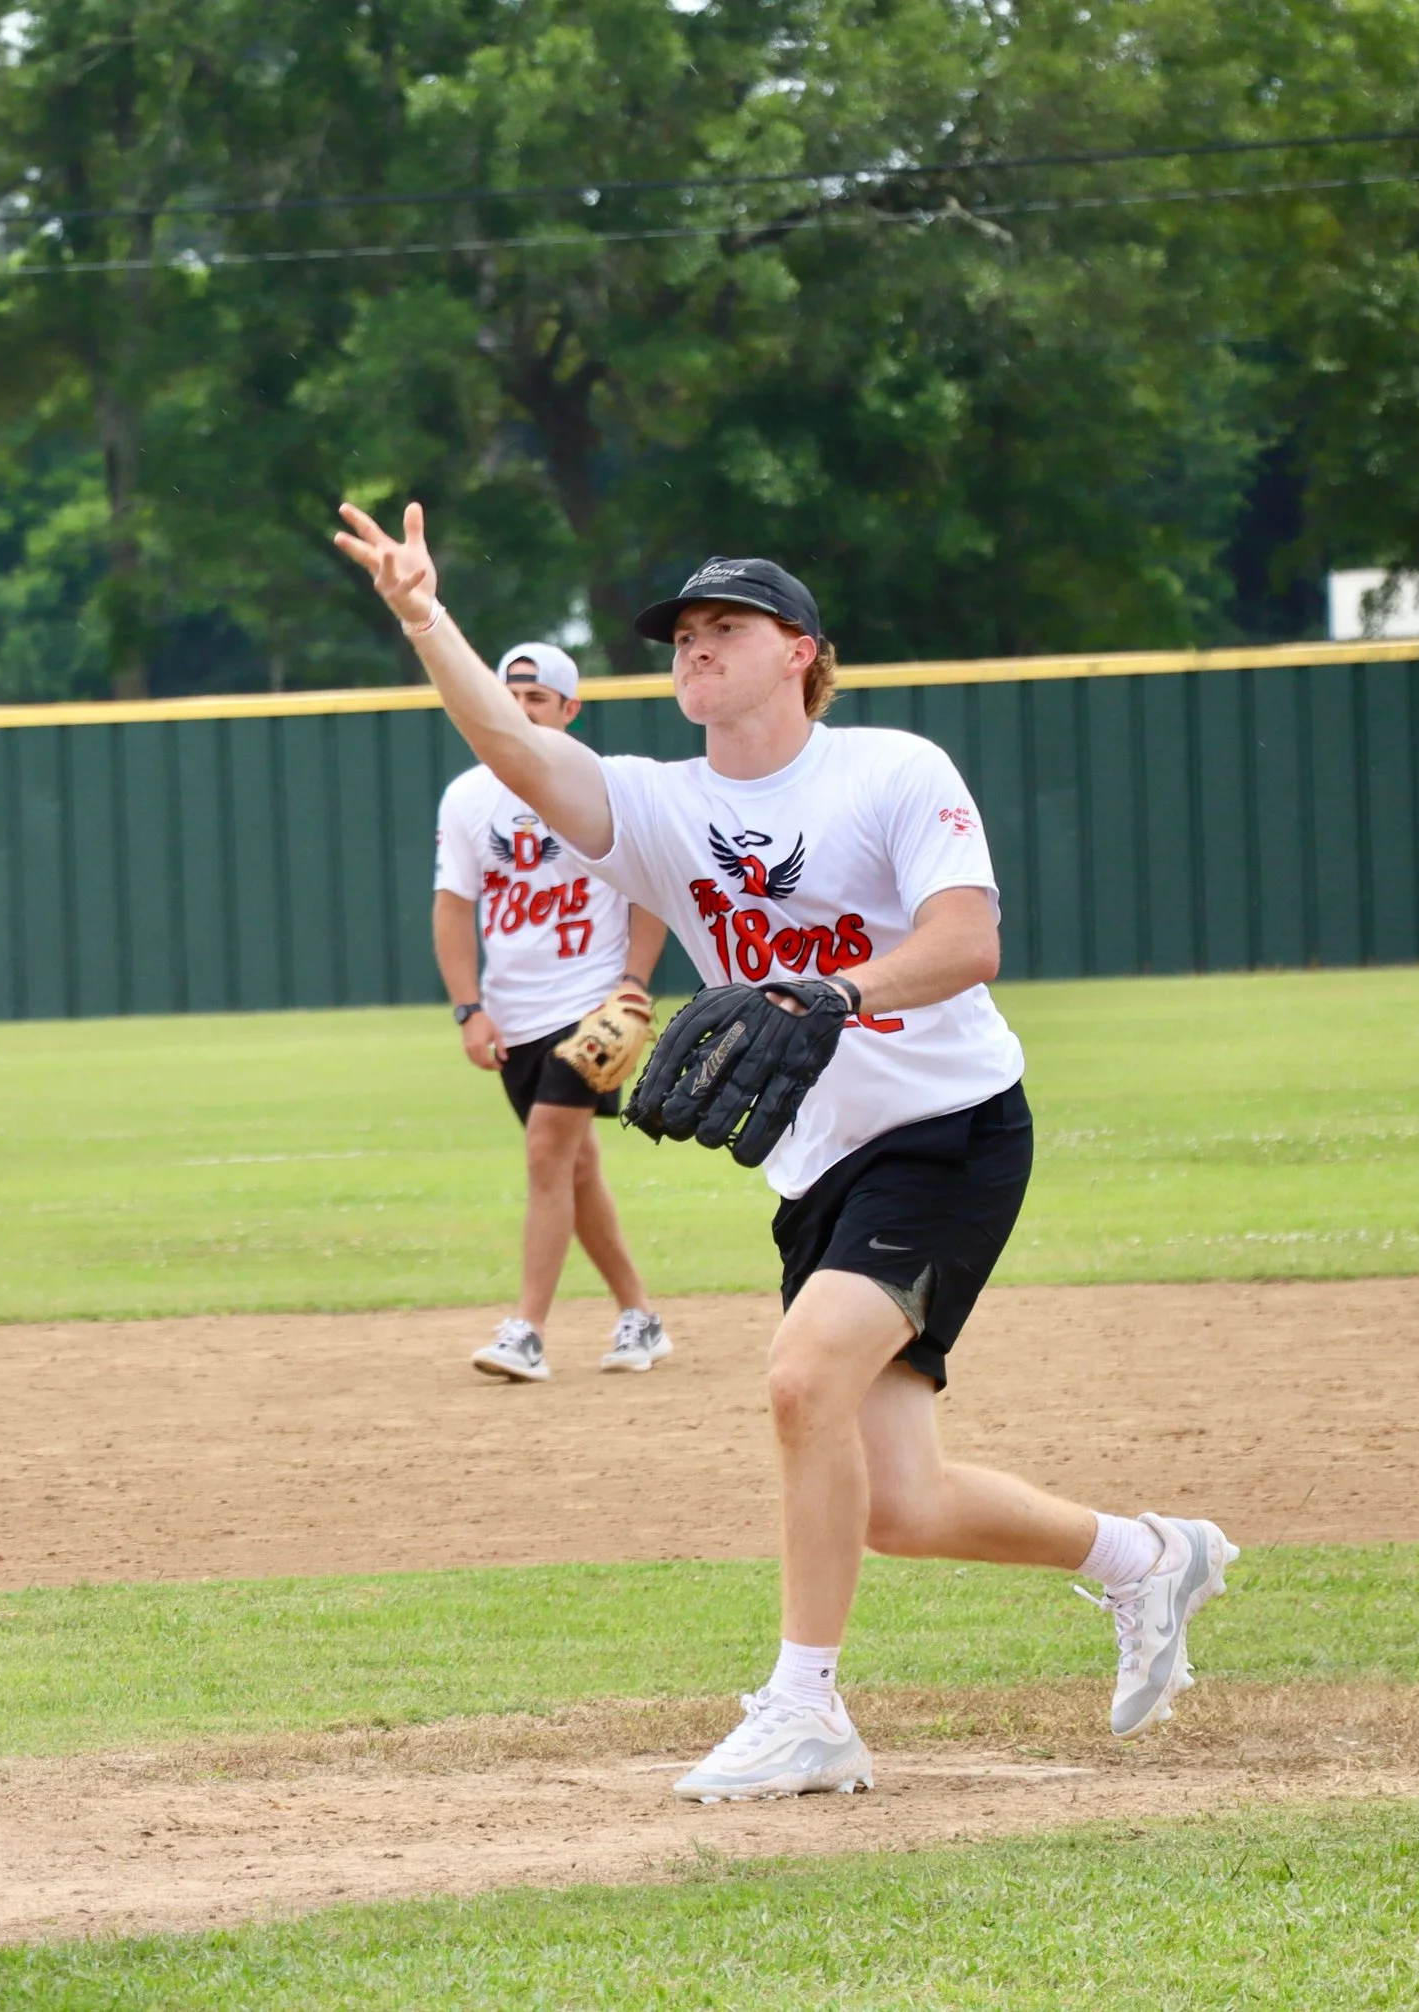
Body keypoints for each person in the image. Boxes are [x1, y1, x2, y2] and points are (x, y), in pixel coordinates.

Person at [336, 506, 1238, 1803]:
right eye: (682, 635)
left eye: (725, 628)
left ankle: (805, 1708)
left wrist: (835, 994)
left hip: (952, 1129)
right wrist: (425, 615)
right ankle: (1145, 1560)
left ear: (799, 652)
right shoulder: (660, 805)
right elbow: (509, 751)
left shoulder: (891, 770)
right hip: (818, 1167)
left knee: (800, 1381)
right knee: (898, 1504)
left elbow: (968, 940)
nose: (695, 648)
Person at [434, 641, 675, 1383]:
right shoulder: (469, 796)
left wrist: (633, 983)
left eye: (537, 697)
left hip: (589, 1004)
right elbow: (453, 908)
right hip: (514, 1014)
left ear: (570, 710)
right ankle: (640, 1316)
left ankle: (526, 1331)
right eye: (510, 694)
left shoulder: (598, 787)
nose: (520, 708)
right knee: (573, 1170)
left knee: (547, 1150)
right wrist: (469, 1009)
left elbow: (650, 891)